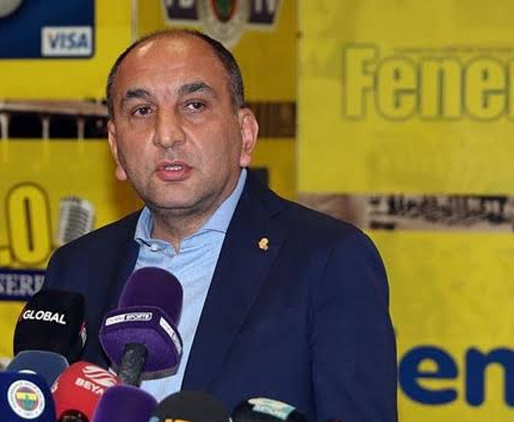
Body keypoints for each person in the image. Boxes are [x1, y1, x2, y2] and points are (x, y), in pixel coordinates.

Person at [44, 29, 397, 422]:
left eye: (194, 105)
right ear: (115, 146)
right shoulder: (76, 267)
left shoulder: (329, 260)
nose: (166, 135)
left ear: (245, 135)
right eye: (142, 111)